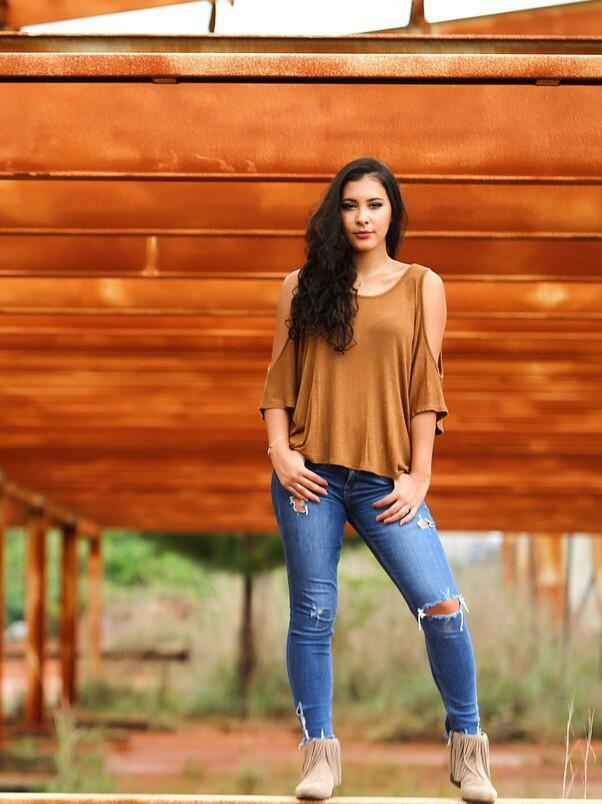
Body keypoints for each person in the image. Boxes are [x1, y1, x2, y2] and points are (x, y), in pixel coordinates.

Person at [258, 156, 497, 803]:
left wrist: (420, 476)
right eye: (350, 205)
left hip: (386, 479)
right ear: (335, 214)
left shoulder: (423, 285)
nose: (362, 217)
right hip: (310, 473)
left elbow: (426, 387)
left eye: (374, 204)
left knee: (442, 606)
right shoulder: (301, 286)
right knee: (313, 612)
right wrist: (281, 454)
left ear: (393, 213)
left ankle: (468, 750)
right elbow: (279, 381)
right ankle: (319, 758)